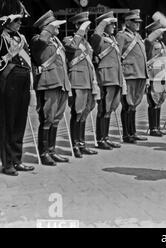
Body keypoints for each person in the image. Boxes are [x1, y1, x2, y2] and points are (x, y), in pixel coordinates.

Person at [30, 10, 71, 165]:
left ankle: (52, 150)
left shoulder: (56, 41)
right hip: (48, 84)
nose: (57, 28)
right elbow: (40, 43)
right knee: (47, 119)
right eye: (54, 25)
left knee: (56, 119)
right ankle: (44, 152)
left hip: (60, 83)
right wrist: (49, 29)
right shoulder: (37, 40)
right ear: (46, 27)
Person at [0, 0, 34, 175]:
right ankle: (7, 163)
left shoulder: (21, 37)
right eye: (17, 19)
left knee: (20, 122)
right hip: (8, 81)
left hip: (23, 80)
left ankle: (17, 158)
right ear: (8, 20)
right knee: (8, 123)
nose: (20, 23)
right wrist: (9, 55)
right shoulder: (1, 37)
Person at [63, 12, 99, 158]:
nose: (87, 28)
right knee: (77, 112)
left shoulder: (86, 43)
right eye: (84, 25)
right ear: (77, 25)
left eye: (87, 25)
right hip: (77, 80)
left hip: (89, 80)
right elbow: (71, 48)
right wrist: (81, 31)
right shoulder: (68, 39)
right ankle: (75, 144)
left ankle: (82, 142)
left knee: (85, 111)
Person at [89, 11, 124, 150]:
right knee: (103, 109)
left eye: (115, 24)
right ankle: (100, 139)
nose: (114, 27)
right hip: (106, 77)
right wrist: (103, 23)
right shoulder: (99, 38)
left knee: (109, 109)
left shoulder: (113, 39)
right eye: (112, 24)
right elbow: (95, 38)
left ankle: (106, 137)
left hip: (115, 77)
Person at [116, 9, 148, 143]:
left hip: (140, 74)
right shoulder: (121, 36)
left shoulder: (138, 36)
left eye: (139, 22)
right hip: (129, 74)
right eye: (135, 22)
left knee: (134, 104)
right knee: (127, 105)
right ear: (127, 22)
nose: (138, 24)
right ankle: (126, 134)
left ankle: (133, 132)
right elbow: (117, 56)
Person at [144, 12, 166, 137]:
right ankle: (153, 128)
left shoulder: (162, 44)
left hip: (161, 76)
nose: (162, 34)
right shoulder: (149, 43)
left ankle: (157, 126)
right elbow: (149, 40)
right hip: (154, 76)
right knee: (153, 102)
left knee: (159, 102)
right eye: (159, 31)